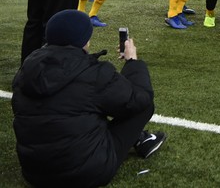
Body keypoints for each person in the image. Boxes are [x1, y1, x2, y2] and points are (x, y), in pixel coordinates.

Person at [12, 10, 166, 187]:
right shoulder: (92, 73)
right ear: (84, 40)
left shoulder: (28, 67)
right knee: (141, 105)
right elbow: (140, 98)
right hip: (85, 173)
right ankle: (140, 139)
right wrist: (132, 62)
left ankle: (139, 138)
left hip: (33, 171)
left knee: (77, 109)